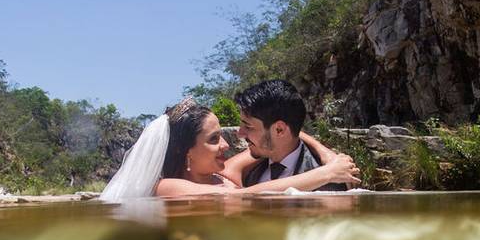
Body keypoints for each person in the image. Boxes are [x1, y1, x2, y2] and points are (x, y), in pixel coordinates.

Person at [99, 98, 358, 201]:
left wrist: (325, 153)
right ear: (186, 151)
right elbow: (246, 196)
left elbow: (282, 132)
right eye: (214, 140)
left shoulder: (229, 170)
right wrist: (327, 174)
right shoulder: (166, 187)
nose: (226, 145)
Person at [234, 80, 347, 191]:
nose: (240, 134)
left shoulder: (331, 182)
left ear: (279, 130)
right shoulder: (250, 171)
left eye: (248, 127)